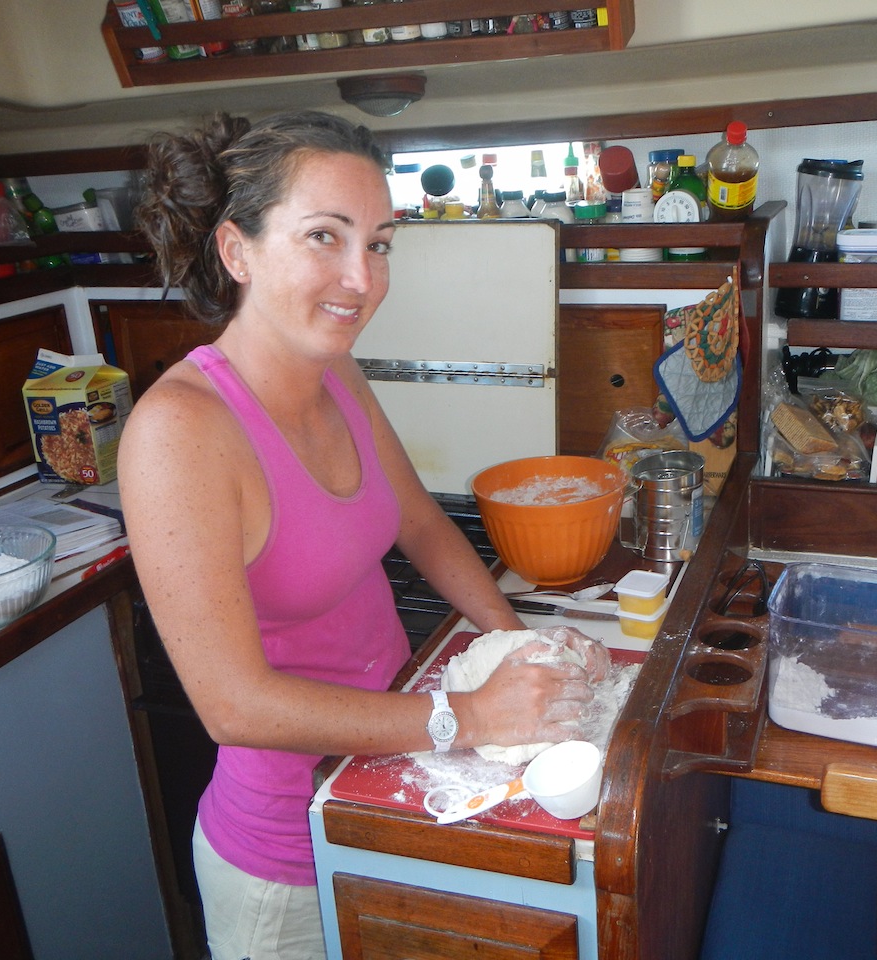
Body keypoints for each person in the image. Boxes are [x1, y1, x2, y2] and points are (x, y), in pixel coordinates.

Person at [118, 109, 609, 960]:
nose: (363, 278)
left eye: (379, 243)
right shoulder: (180, 433)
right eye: (325, 236)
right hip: (285, 865)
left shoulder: (336, 372)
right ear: (237, 251)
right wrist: (470, 716)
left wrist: (518, 646)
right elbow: (233, 706)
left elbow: (420, 522)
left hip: (385, 788)